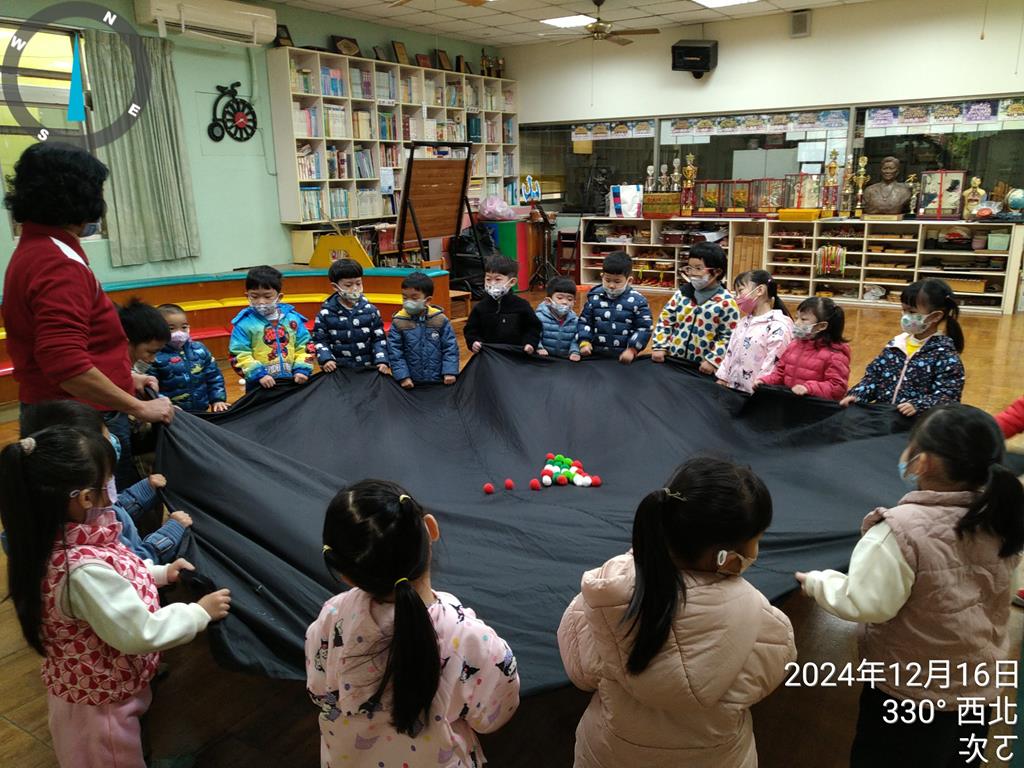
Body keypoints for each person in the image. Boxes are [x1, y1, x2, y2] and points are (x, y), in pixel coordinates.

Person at [796, 404, 1024, 767]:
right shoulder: (1001, 520)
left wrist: (818, 582)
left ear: (923, 462)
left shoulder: (899, 531)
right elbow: (1002, 592)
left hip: (910, 698)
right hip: (977, 692)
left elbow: (866, 602)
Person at [0, 425, 231, 768]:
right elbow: (142, 632)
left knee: (130, 743)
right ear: (84, 498)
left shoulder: (68, 535)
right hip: (100, 708)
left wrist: (161, 573)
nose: (113, 489)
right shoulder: (80, 572)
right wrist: (198, 612)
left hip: (108, 685)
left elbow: (121, 571)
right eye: (108, 481)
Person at [558, 458, 796, 767]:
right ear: (725, 558)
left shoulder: (605, 594)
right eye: (757, 540)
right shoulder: (768, 626)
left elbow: (579, 671)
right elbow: (767, 679)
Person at [307, 480, 520, 767]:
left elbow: (319, 691)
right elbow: (495, 714)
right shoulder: (471, 640)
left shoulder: (332, 618)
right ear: (431, 528)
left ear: (345, 575)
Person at [2, 142, 173, 482]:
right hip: (79, 420)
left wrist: (124, 379)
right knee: (107, 508)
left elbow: (69, 349)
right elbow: (66, 364)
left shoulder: (37, 249)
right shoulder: (57, 263)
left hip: (58, 409)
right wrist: (138, 407)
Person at [17, 399, 192, 564]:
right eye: (107, 440)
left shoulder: (71, 510)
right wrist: (170, 533)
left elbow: (114, 510)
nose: (114, 441)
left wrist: (145, 489)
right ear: (86, 497)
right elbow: (135, 564)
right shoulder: (94, 542)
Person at [842, 278, 965, 416]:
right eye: (904, 310)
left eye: (911, 312)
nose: (905, 317)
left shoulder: (945, 355)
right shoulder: (896, 345)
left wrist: (919, 406)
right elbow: (874, 377)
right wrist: (858, 394)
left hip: (917, 424)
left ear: (935, 316)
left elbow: (949, 396)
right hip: (884, 418)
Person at [651, 243, 739, 374]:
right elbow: (665, 320)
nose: (692, 273)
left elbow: (729, 336)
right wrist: (660, 346)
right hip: (673, 361)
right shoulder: (682, 294)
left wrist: (713, 360)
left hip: (702, 368)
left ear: (717, 272)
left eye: (698, 268)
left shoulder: (726, 302)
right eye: (689, 268)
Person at [229, 265, 315, 392]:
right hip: (259, 386)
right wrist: (258, 374)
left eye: (267, 296)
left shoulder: (293, 320)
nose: (261, 301)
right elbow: (239, 354)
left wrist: (302, 369)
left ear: (279, 297)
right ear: (247, 296)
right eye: (255, 296)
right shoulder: (244, 324)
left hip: (293, 382)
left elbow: (305, 346)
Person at [756, 296, 851, 400]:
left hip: (815, 407)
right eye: (797, 318)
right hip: (791, 403)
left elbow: (838, 387)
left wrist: (809, 388)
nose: (796, 323)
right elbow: (780, 373)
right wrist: (765, 381)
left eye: (803, 319)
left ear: (821, 326)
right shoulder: (793, 345)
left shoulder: (835, 354)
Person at [716, 270, 793, 394]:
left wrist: (760, 387)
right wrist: (723, 377)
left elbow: (773, 363)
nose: (737, 297)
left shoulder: (778, 325)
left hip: (757, 394)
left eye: (740, 291)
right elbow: (730, 353)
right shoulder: (742, 323)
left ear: (760, 290)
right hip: (733, 391)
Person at [311, 259, 389, 375]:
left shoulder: (371, 310)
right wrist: (326, 359)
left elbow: (379, 339)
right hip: (338, 370)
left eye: (358, 283)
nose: (355, 288)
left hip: (367, 369)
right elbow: (320, 340)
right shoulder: (325, 313)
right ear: (335, 287)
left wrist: (381, 360)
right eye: (348, 285)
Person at [577, 251, 653, 364]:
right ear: (602, 276)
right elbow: (584, 322)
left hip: (623, 358)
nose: (611, 285)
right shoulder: (594, 297)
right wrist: (584, 342)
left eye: (617, 281)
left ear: (629, 281)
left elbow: (644, 328)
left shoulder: (638, 301)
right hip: (596, 356)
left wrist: (632, 350)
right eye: (607, 280)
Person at [151, 304, 229, 414]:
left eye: (184, 327)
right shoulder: (153, 356)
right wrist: (166, 406)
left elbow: (214, 376)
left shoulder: (199, 350)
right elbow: (151, 390)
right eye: (171, 328)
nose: (179, 332)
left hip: (202, 412)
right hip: (174, 415)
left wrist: (217, 399)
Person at [386, 271, 459, 388]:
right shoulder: (399, 322)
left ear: (428, 300)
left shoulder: (440, 319)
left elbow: (450, 347)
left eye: (414, 298)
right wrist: (403, 376)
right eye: (405, 298)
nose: (408, 302)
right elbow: (395, 352)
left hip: (439, 380)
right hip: (411, 382)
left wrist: (449, 371)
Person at [463, 256, 542, 354]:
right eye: (488, 279)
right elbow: (471, 330)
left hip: (516, 355)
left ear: (512, 282)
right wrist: (473, 342)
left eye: (497, 279)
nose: (492, 283)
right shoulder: (480, 307)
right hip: (489, 355)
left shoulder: (521, 306)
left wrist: (530, 343)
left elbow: (533, 328)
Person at [117, 299, 170, 377]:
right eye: (150, 352)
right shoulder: (109, 372)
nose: (153, 360)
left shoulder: (139, 367)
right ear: (127, 343)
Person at [535, 276, 581, 361]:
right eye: (560, 298)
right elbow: (534, 335)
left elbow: (575, 339)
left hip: (564, 360)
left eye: (569, 299)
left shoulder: (575, 321)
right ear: (548, 300)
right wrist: (539, 348)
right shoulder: (539, 317)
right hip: (544, 359)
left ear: (574, 302)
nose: (565, 302)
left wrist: (574, 352)